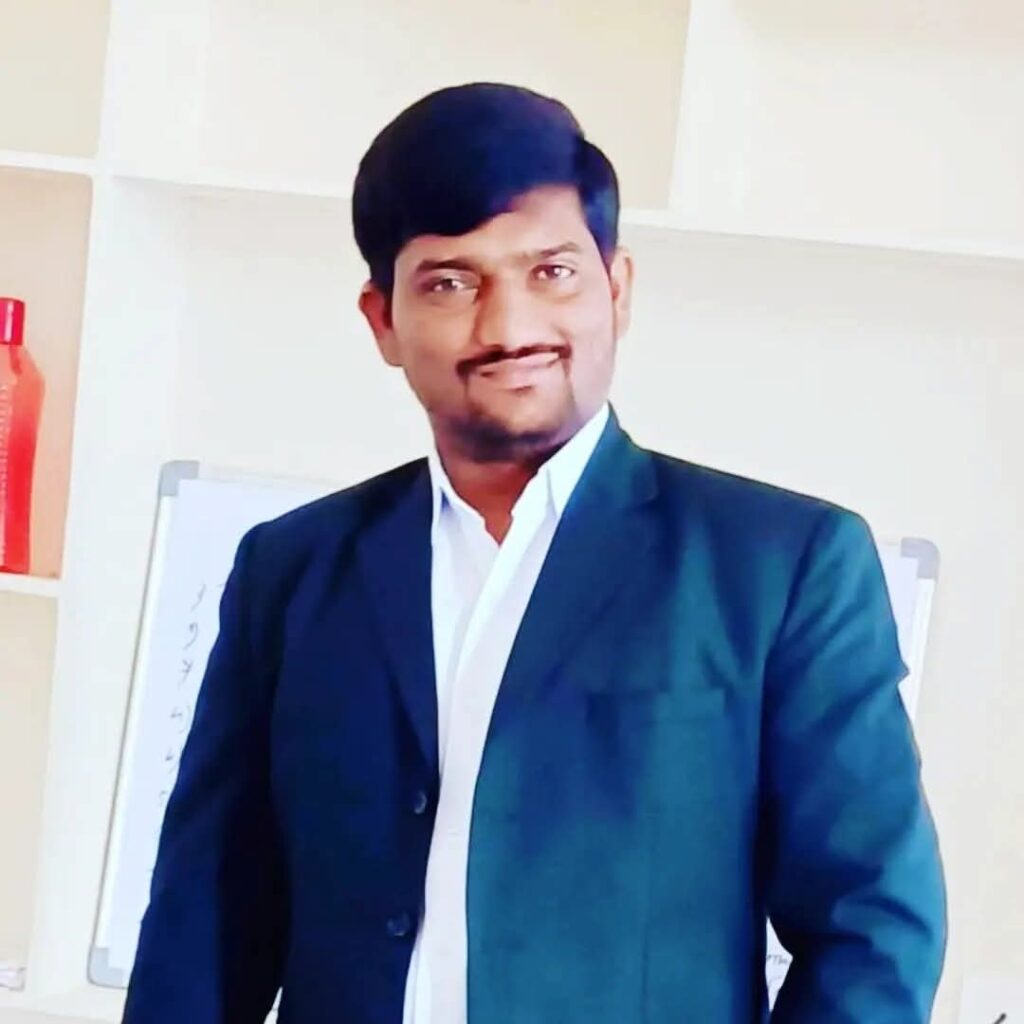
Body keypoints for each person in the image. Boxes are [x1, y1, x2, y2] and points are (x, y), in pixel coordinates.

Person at [122, 82, 946, 1024]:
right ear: (382, 320)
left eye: (551, 271)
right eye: (450, 282)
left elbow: (874, 927)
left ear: (617, 289)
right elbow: (206, 920)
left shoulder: (783, 567)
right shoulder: (292, 571)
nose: (510, 328)